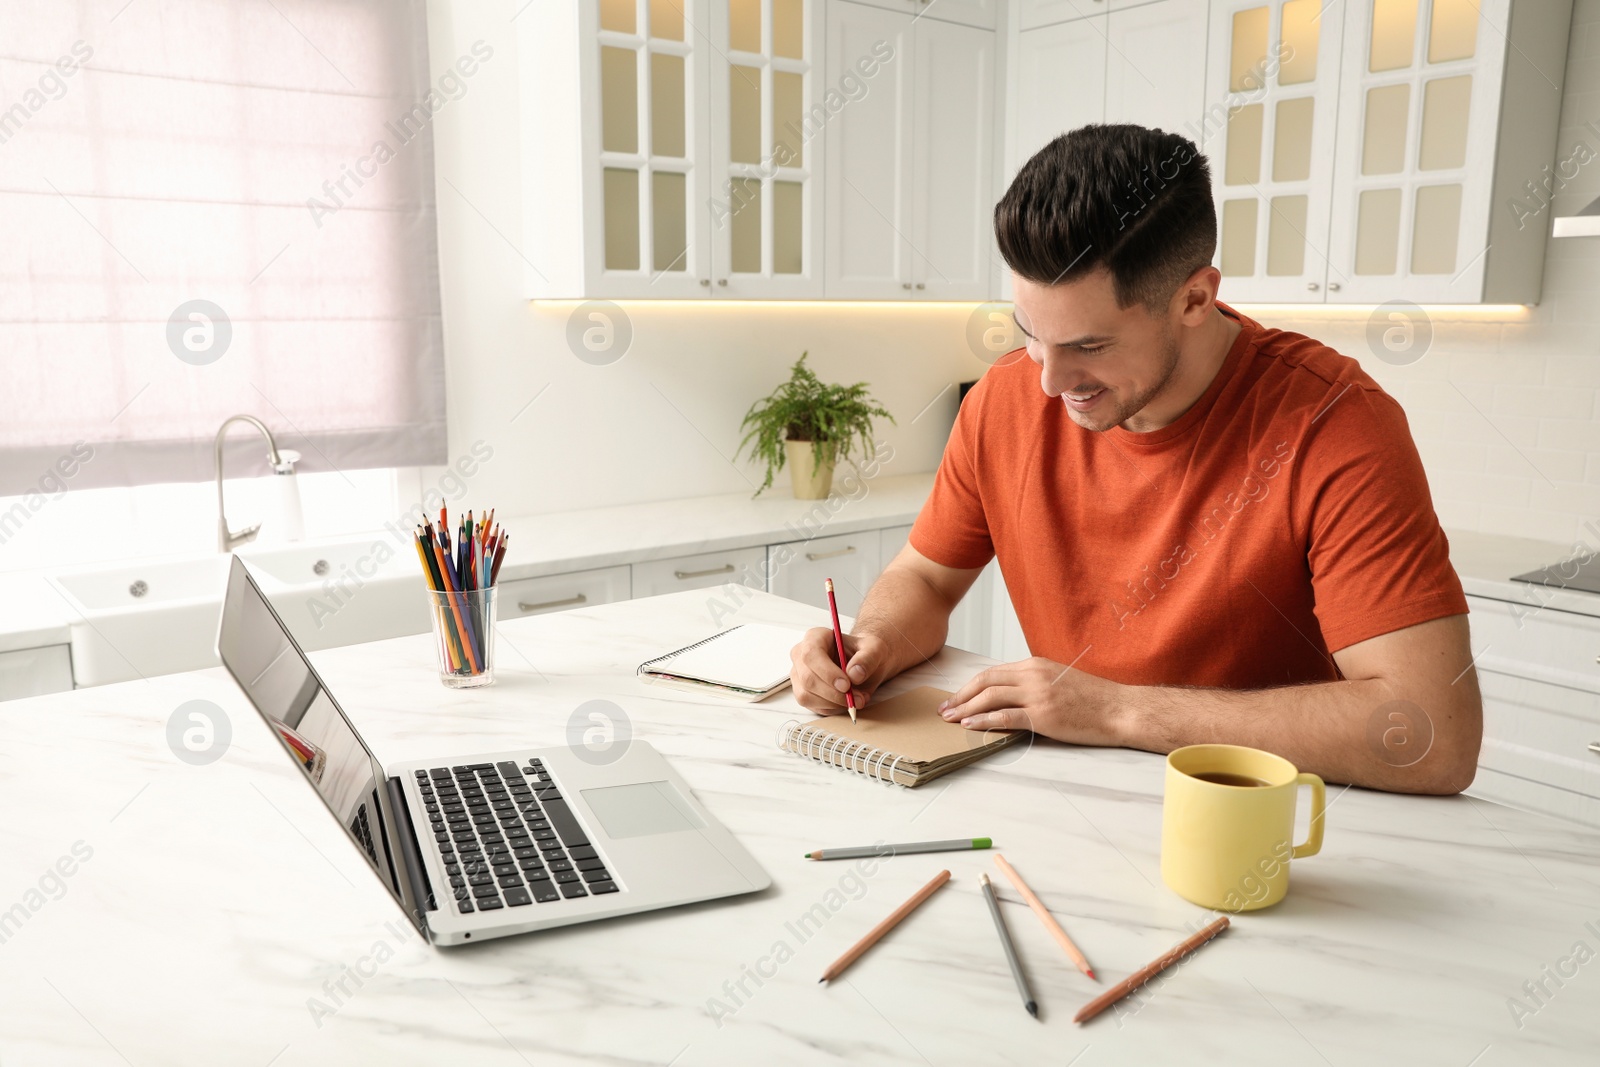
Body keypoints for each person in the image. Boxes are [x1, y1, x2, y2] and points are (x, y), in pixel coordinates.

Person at [789, 124, 1480, 795]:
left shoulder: (1336, 424)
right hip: (1072, 798)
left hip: (1260, 819)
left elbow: (1430, 734)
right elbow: (928, 581)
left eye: (1089, 346)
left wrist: (1119, 711)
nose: (1049, 383)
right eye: (1030, 333)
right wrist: (871, 641)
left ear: (1195, 298)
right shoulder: (1004, 399)